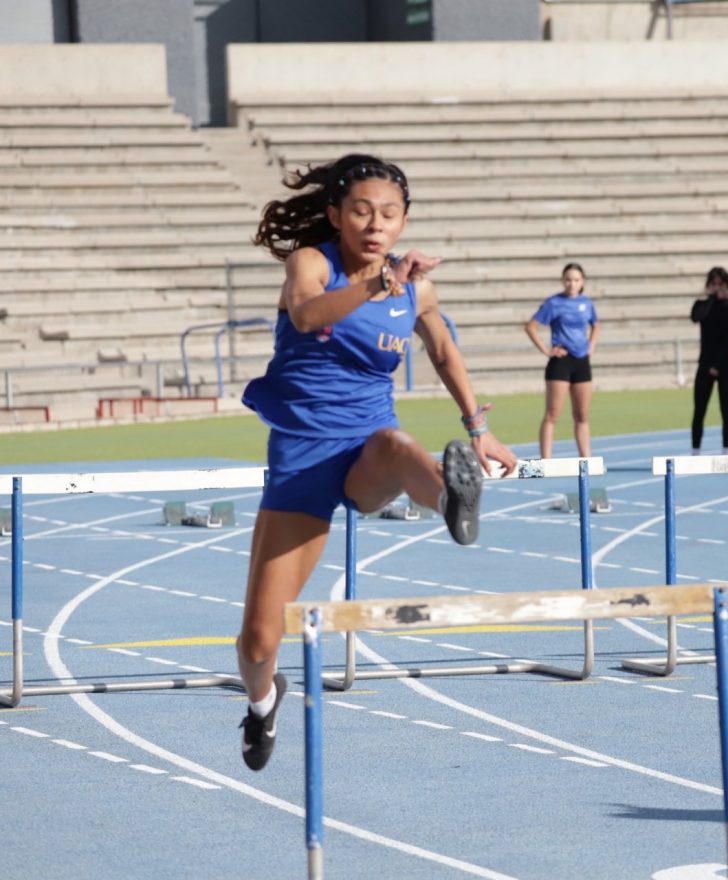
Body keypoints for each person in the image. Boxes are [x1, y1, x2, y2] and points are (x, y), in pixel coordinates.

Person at [237, 153, 517, 771]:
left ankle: (450, 497)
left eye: (389, 214)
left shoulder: (416, 288)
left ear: (404, 221)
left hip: (367, 446)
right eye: (362, 211)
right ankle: (261, 705)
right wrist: (376, 284)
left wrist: (480, 429)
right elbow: (306, 314)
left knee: (396, 445)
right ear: (337, 215)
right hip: (302, 457)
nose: (375, 224)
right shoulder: (313, 264)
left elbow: (442, 350)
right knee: (258, 639)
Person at [525, 262, 599, 459]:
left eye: (576, 280)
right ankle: (546, 460)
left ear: (582, 281)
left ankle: (586, 460)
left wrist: (591, 345)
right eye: (568, 280)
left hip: (581, 361)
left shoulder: (587, 303)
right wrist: (546, 350)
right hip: (561, 362)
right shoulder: (554, 303)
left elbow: (596, 325)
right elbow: (531, 327)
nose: (571, 284)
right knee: (552, 414)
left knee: (582, 415)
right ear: (563, 281)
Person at [689, 266, 728, 455]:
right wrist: (711, 299)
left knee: (725, 407)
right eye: (713, 284)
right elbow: (696, 317)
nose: (717, 287)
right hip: (705, 363)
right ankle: (695, 450)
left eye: (720, 284)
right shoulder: (702, 305)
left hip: (726, 364)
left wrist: (717, 365)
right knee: (699, 409)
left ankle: (726, 448)